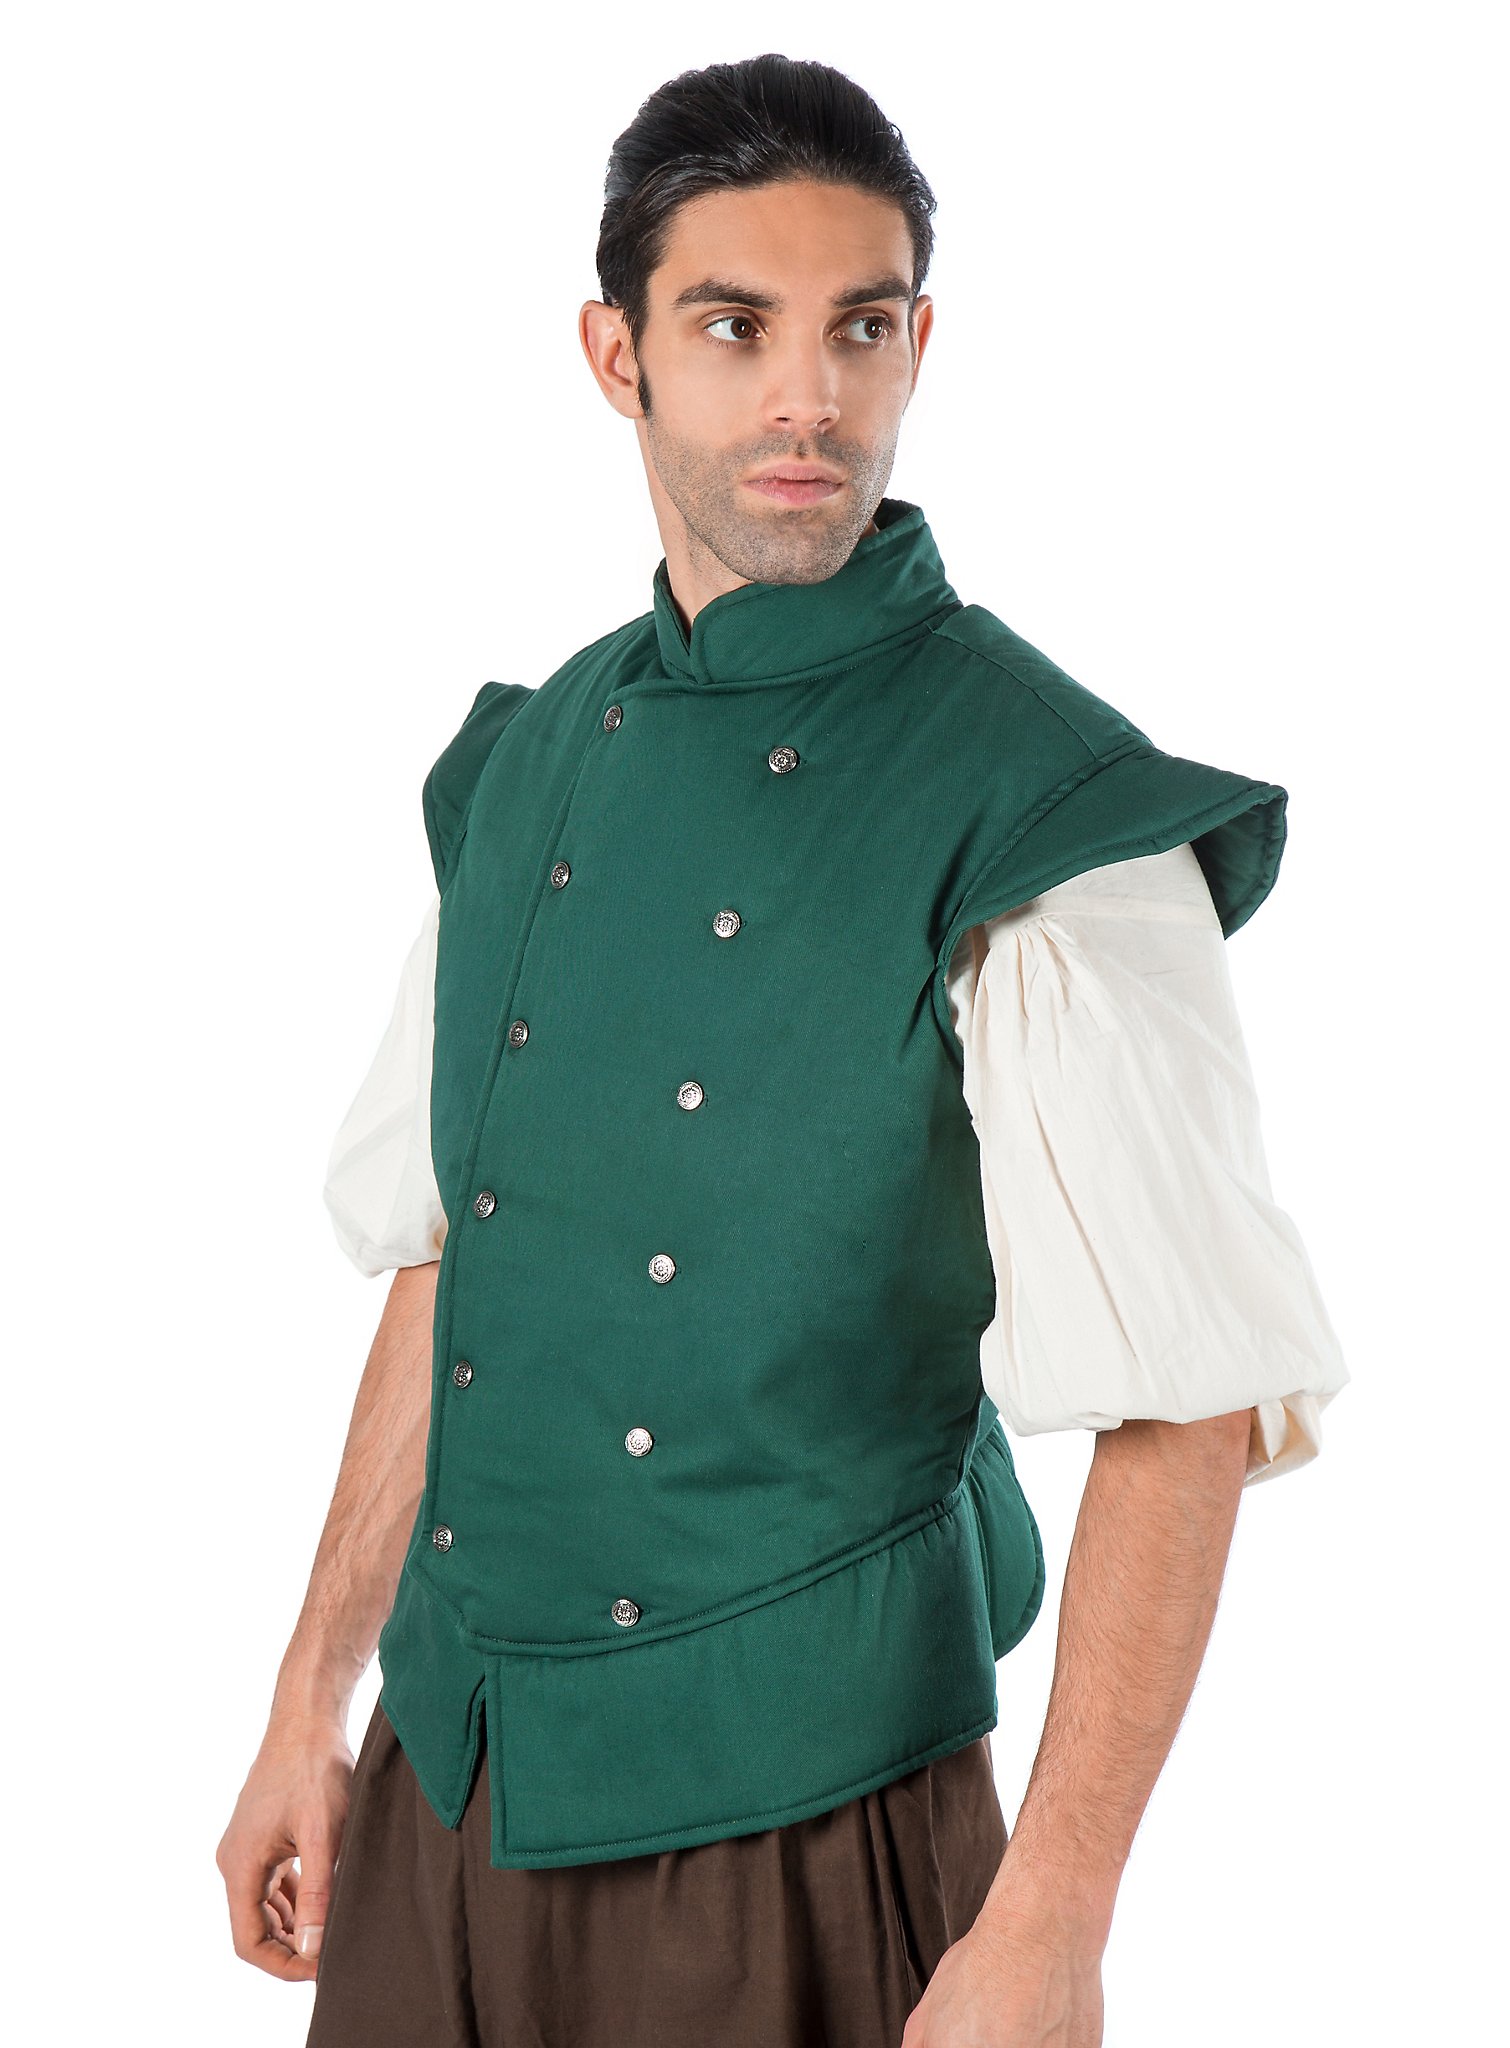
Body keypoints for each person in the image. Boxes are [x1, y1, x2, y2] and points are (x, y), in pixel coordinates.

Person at [215, 52, 1350, 2048]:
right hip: (439, 1796)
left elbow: (1184, 1406)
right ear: (618, 356)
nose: (808, 397)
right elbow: (457, 1260)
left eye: (860, 328)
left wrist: (1053, 1914)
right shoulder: (528, 765)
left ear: (920, 344)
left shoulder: (1040, 807)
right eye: (734, 328)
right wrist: (312, 1697)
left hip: (798, 1831)